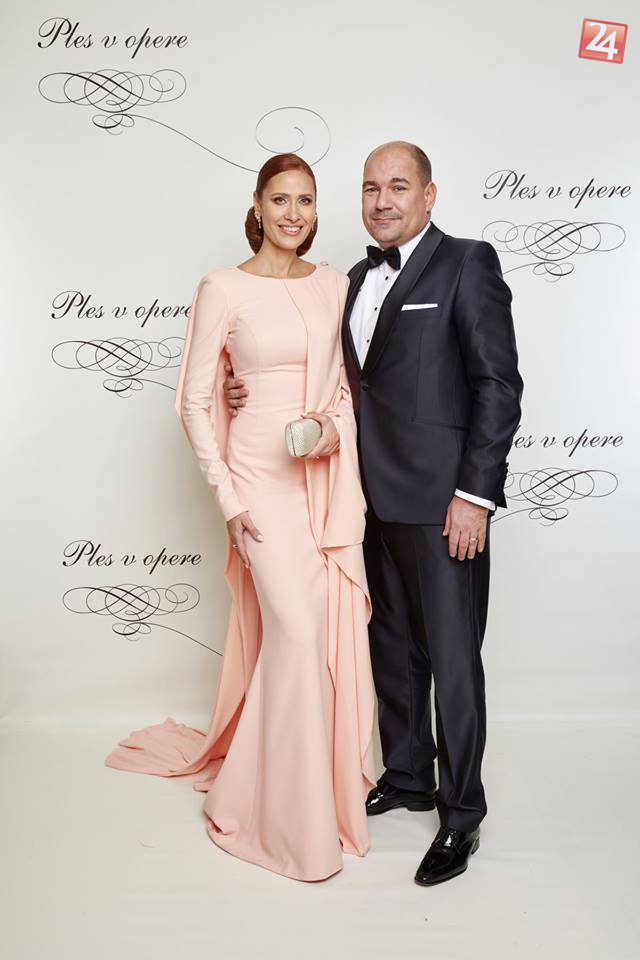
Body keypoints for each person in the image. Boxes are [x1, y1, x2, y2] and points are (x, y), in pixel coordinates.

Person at [223, 141, 523, 886]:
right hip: (363, 498)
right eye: (369, 188)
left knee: (453, 659)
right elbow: (320, 372)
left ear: (428, 194)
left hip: (444, 504)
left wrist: (474, 496)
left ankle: (461, 814)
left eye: (398, 186)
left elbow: (498, 385)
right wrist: (239, 389)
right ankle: (409, 775)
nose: (382, 201)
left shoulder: (467, 264)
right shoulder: (349, 280)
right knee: (392, 648)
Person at [105, 152, 376, 883]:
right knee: (297, 633)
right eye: (280, 199)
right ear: (257, 206)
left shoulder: (335, 285)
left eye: (306, 200)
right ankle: (280, 819)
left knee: (314, 636)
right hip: (257, 483)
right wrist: (228, 499)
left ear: (316, 212)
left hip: (320, 481)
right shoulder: (222, 287)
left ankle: (295, 793)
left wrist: (328, 430)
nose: (294, 213)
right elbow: (193, 400)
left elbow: (347, 388)